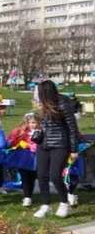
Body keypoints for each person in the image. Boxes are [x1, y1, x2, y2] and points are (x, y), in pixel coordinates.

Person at [32, 80, 80, 218]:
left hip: (60, 144)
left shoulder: (62, 104)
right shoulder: (42, 104)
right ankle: (45, 205)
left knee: (55, 175)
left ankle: (64, 202)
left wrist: (74, 149)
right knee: (41, 175)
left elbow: (72, 128)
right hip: (43, 144)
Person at [6, 113, 41, 207]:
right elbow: (13, 141)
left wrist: (32, 146)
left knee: (32, 177)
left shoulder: (41, 132)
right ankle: (27, 197)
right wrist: (19, 142)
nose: (32, 125)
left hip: (35, 158)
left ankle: (29, 195)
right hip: (23, 156)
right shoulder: (23, 132)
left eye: (34, 122)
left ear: (38, 123)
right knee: (25, 176)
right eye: (30, 123)